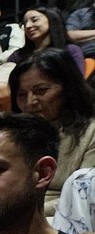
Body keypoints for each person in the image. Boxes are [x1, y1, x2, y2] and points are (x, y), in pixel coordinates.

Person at [11, 47, 95, 217]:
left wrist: (18, 215)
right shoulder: (13, 138)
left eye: (41, 91)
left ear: (68, 88)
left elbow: (85, 197)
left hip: (69, 219)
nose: (30, 102)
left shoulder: (91, 131)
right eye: (21, 95)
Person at [7, 6, 86, 73]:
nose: (28, 26)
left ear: (51, 19)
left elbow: (77, 82)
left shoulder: (70, 51)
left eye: (34, 20)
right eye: (24, 23)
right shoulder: (17, 56)